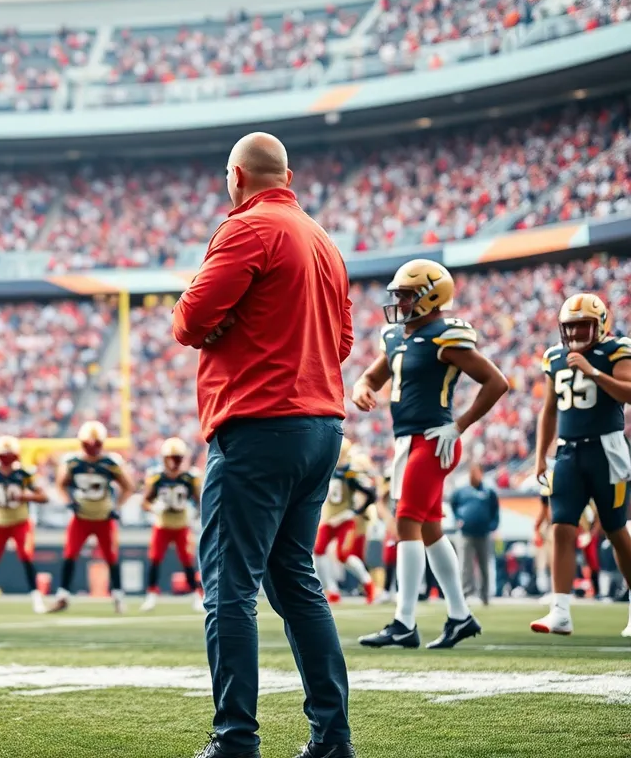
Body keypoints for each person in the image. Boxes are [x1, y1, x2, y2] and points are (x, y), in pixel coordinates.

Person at [171, 132, 354, 758]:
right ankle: (332, 738)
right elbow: (344, 342)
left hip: (258, 425)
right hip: (320, 426)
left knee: (229, 587)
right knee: (295, 581)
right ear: (288, 175)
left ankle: (236, 740)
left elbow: (190, 321)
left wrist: (223, 321)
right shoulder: (323, 240)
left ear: (237, 177)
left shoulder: (247, 227)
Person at [354, 260, 508, 650]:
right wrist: (361, 387)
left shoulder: (445, 336)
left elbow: (496, 382)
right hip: (409, 440)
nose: (400, 302)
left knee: (406, 520)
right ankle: (460, 616)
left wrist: (460, 424)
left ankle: (404, 621)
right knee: (429, 529)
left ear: (431, 296)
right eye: (400, 295)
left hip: (434, 439)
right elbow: (372, 376)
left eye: (406, 295)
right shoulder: (396, 337)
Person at [532, 293, 631, 638]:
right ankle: (560, 611)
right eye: (570, 326)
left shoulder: (615, 350)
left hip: (607, 449)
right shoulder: (555, 357)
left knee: (616, 530)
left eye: (583, 325)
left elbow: (629, 392)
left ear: (600, 324)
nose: (575, 333)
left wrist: (593, 372)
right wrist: (539, 453)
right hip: (567, 452)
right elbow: (548, 410)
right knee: (561, 527)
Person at [49, 420, 133, 614]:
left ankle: (119, 596)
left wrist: (116, 506)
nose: (93, 449)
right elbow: (61, 484)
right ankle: (62, 595)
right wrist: (68, 501)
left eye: (96, 444)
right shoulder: (73, 462)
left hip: (104, 517)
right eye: (89, 444)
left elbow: (128, 486)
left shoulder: (110, 463)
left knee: (111, 557)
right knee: (70, 554)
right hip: (81, 517)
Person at [0, 435, 48, 614]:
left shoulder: (25, 473)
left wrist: (25, 496)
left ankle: (36, 598)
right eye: (3, 456)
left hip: (20, 521)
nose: (6, 461)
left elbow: (43, 496)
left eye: (9, 457)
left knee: (26, 557)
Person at [140, 437, 204, 613]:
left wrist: (196, 513)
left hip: (182, 524)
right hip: (162, 524)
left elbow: (200, 501)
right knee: (155, 559)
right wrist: (154, 508)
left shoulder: (189, 477)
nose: (176, 462)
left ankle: (197, 595)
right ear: (164, 458)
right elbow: (144, 502)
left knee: (187, 561)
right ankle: (151, 595)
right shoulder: (157, 477)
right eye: (173, 458)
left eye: (179, 458)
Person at [314, 440, 378, 605]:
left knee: (343, 556)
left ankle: (368, 583)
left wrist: (355, 511)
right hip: (329, 518)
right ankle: (331, 590)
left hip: (344, 518)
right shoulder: (327, 468)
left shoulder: (350, 473)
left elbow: (371, 493)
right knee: (319, 551)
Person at [450, 464, 500, 606]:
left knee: (484, 565)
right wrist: (458, 519)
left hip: (483, 533)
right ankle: (465, 594)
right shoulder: (461, 491)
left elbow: (495, 510)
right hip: (465, 533)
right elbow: (453, 504)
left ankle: (484, 595)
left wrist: (493, 525)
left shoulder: (488, 492)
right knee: (466, 565)